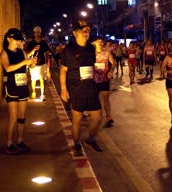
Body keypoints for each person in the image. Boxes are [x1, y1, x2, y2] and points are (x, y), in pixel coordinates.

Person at [60, 20, 103, 156]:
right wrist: (63, 89)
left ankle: (90, 139)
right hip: (76, 88)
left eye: (88, 30)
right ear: (75, 33)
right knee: (77, 118)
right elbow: (63, 70)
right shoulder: (68, 49)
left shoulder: (91, 48)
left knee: (97, 117)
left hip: (91, 86)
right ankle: (77, 143)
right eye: (82, 30)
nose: (86, 33)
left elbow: (92, 66)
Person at [1, 28, 37, 154]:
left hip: (22, 86)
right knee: (13, 117)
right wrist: (24, 62)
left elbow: (28, 65)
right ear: (8, 39)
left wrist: (32, 63)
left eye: (19, 40)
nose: (18, 42)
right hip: (11, 86)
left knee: (22, 116)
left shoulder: (21, 51)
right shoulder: (5, 53)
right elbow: (8, 68)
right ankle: (9, 143)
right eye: (16, 39)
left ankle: (20, 141)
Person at [93, 36, 116, 128]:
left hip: (104, 79)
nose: (100, 43)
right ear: (94, 43)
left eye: (101, 42)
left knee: (105, 97)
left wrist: (111, 71)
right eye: (98, 41)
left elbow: (113, 63)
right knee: (95, 99)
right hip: (93, 80)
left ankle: (108, 116)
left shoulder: (107, 53)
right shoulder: (91, 53)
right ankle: (96, 116)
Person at [25, 26, 51, 100]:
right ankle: (33, 92)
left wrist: (47, 65)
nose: (37, 34)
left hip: (42, 64)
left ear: (40, 33)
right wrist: (33, 49)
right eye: (36, 32)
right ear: (34, 33)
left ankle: (42, 94)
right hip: (33, 64)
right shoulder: (31, 43)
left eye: (39, 32)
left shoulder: (44, 42)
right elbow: (27, 54)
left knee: (42, 79)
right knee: (33, 80)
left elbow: (47, 54)